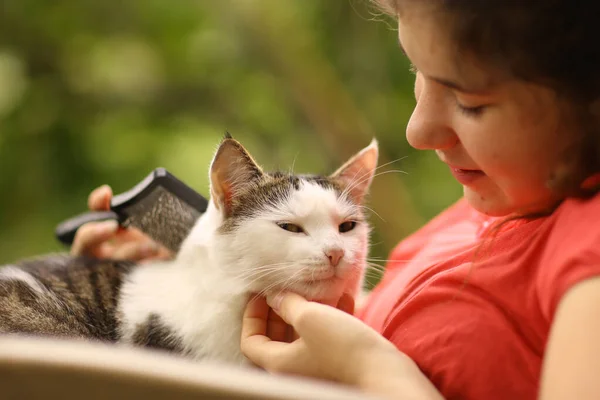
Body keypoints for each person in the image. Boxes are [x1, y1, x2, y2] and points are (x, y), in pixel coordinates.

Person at [72, 1, 600, 399]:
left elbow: (376, 354)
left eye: (469, 101)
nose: (417, 131)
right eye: (417, 71)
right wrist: (193, 272)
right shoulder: (486, 206)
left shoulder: (587, 253)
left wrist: (372, 371)